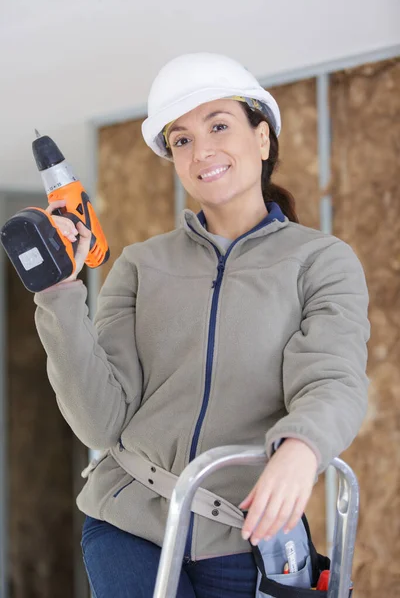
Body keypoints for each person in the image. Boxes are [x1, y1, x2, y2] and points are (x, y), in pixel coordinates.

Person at [34, 52, 370, 598]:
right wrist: (58, 292)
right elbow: (100, 422)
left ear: (262, 139)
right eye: (182, 139)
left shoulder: (321, 261)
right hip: (128, 522)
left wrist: (301, 449)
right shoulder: (142, 265)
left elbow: (333, 379)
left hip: (245, 534)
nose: (201, 150)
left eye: (219, 125)